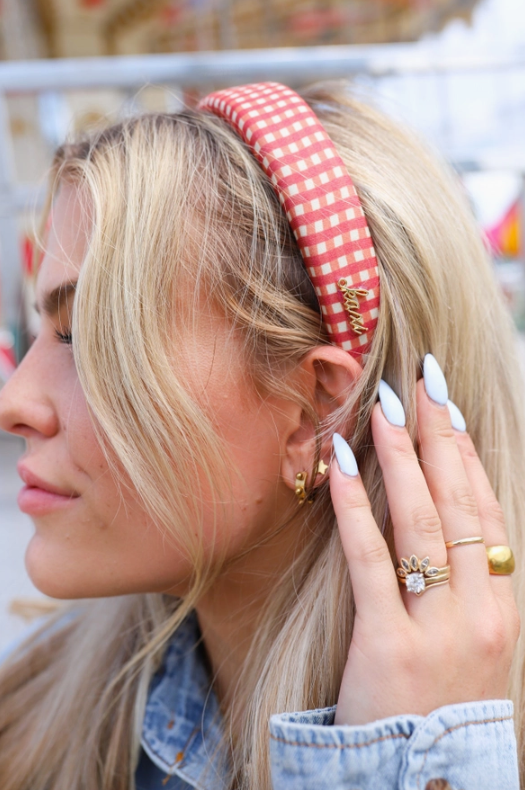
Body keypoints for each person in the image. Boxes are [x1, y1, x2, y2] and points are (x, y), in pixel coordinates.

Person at [0, 80, 523, 790]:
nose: (16, 403)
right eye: (40, 334)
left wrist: (419, 766)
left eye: (90, 337)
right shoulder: (26, 724)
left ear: (313, 415)